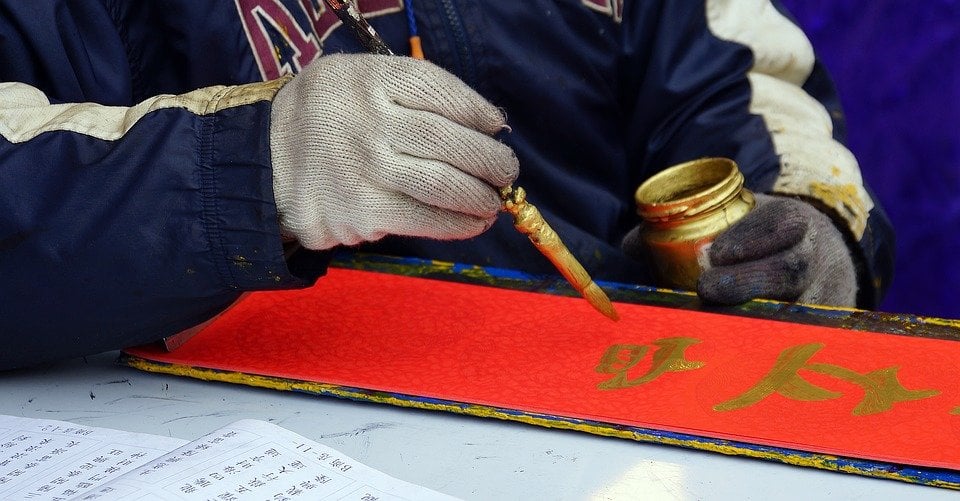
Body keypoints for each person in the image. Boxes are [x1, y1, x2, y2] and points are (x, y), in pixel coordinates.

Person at [0, 0, 894, 370]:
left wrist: (804, 215)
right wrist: (257, 164)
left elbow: (731, 81)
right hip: (246, 430)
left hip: (605, 394)